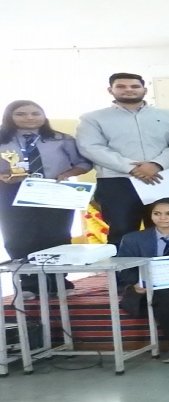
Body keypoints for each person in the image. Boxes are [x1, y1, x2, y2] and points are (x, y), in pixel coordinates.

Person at [77, 72, 169, 250]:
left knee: (167, 228)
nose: (128, 90)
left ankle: (168, 268)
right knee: (122, 230)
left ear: (145, 90)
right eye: (121, 86)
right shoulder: (93, 118)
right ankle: (124, 269)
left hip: (163, 178)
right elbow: (91, 147)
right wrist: (131, 168)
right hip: (118, 182)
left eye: (135, 86)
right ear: (110, 90)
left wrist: (156, 164)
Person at [0, 100, 91, 295]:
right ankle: (28, 284)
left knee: (56, 234)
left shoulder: (61, 139)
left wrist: (67, 174)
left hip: (54, 189)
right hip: (12, 190)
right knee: (19, 236)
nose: (29, 118)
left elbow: (83, 163)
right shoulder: (2, 140)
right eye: (21, 114)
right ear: (9, 117)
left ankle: (58, 281)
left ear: (44, 116)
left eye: (35, 113)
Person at [114, 199, 169, 362]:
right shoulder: (133, 238)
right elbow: (124, 269)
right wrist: (136, 283)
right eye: (157, 213)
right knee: (164, 296)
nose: (163, 218)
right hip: (152, 287)